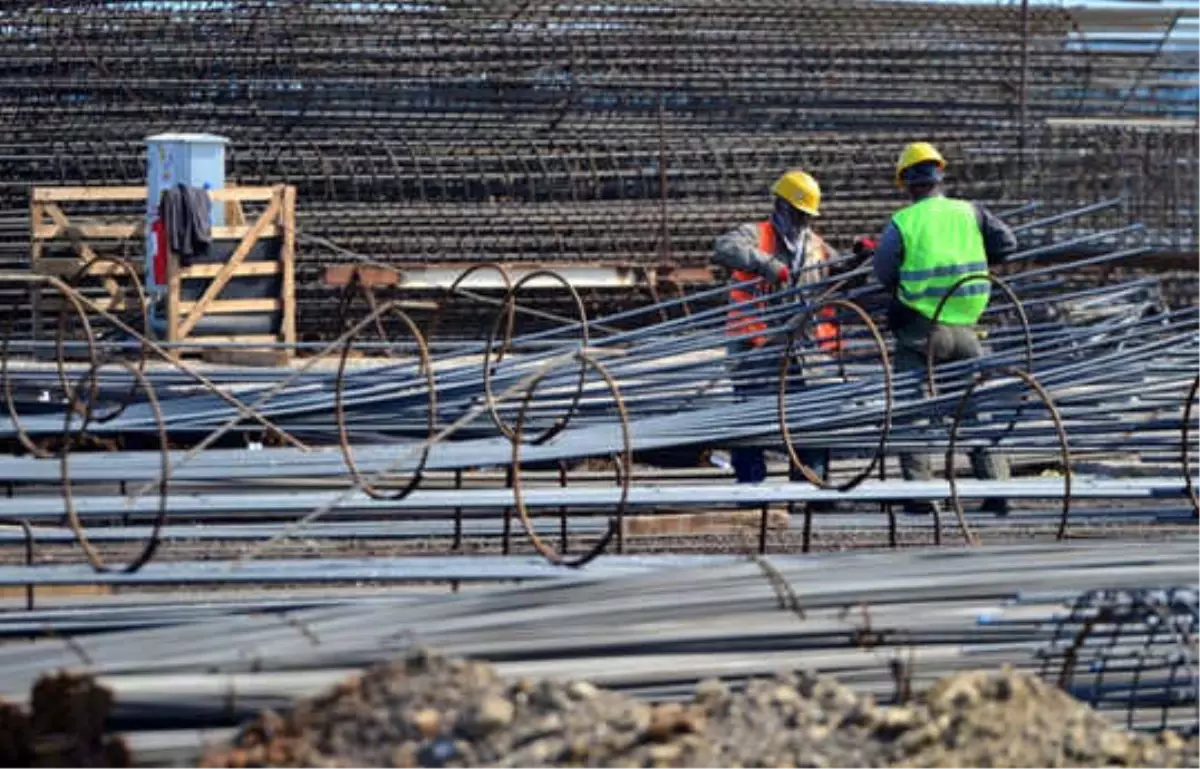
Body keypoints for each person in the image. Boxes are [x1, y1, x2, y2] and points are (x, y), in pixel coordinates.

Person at [871, 142, 1017, 517]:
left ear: (905, 181)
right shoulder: (971, 213)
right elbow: (1008, 243)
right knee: (972, 409)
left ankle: (923, 495)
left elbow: (884, 271)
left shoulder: (903, 222)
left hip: (921, 330)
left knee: (914, 409)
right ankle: (998, 489)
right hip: (967, 327)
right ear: (939, 175)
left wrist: (901, 292)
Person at [711, 169, 842, 491]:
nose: (801, 222)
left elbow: (840, 279)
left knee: (810, 424)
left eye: (805, 216)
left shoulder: (817, 248)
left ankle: (811, 488)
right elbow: (723, 248)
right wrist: (765, 264)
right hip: (755, 351)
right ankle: (751, 491)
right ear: (781, 207)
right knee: (752, 425)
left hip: (803, 357)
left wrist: (861, 260)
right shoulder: (757, 236)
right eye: (796, 214)